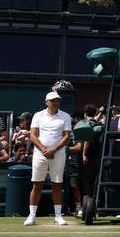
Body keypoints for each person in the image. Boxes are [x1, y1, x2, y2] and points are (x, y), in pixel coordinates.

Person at [26, 91, 73, 226]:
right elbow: (33, 135)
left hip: (58, 153)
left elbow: (67, 136)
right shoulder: (38, 115)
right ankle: (32, 216)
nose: (55, 102)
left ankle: (58, 216)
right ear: (46, 102)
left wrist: (53, 149)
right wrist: (44, 149)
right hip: (40, 153)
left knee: (57, 184)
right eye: (52, 100)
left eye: (57, 100)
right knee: (37, 184)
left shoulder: (65, 116)